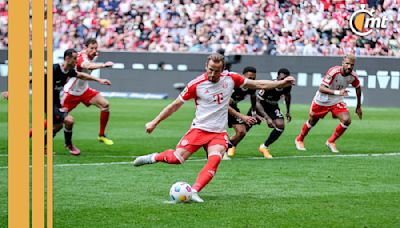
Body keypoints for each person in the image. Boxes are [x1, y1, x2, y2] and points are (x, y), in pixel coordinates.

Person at [133, 53, 295, 203]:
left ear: (223, 69)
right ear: (206, 66)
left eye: (216, 71)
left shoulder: (231, 78)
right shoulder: (195, 85)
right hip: (199, 129)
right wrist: (155, 122)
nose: (212, 74)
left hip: (218, 132)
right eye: (210, 69)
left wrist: (281, 83)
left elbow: (258, 84)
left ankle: (194, 191)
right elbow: (175, 105)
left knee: (215, 158)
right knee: (177, 159)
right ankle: (153, 157)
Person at [295, 54, 362, 153]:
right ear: (342, 63)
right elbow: (321, 88)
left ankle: (331, 141)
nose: (349, 66)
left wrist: (358, 106)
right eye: (347, 63)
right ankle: (299, 139)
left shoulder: (353, 76)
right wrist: (338, 92)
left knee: (347, 120)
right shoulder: (333, 72)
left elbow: (358, 88)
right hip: (322, 100)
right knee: (312, 121)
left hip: (336, 100)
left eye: (352, 65)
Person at [62, 38, 114, 146]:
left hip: (84, 90)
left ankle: (101, 135)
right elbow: (87, 66)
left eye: (96, 48)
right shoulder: (81, 57)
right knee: (56, 120)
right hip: (71, 93)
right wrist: (103, 65)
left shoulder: (94, 55)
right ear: (85, 48)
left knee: (105, 105)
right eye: (91, 48)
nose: (94, 50)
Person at [253, 68, 292, 159]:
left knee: (280, 125)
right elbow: (257, 101)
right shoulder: (269, 85)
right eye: (281, 79)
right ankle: (233, 145)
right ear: (277, 77)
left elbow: (287, 96)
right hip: (260, 107)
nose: (283, 81)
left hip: (273, 107)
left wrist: (288, 111)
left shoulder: (287, 86)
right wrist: (267, 118)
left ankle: (264, 147)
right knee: (245, 127)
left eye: (285, 79)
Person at [225, 66, 258, 160]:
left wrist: (254, 112)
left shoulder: (252, 86)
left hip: (232, 107)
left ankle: (225, 147)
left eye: (253, 78)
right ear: (243, 76)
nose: (251, 80)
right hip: (220, 108)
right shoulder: (234, 83)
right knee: (219, 130)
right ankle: (221, 152)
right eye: (249, 78)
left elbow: (253, 97)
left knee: (242, 132)